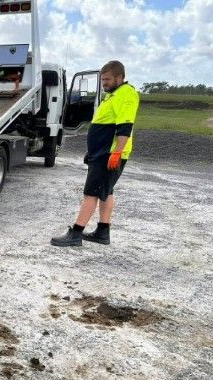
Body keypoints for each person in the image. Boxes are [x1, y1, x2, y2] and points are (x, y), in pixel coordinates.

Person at [51, 60, 139, 247]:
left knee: (91, 193)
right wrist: (92, 151)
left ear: (120, 77)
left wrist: (116, 153)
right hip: (101, 153)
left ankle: (76, 233)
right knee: (106, 192)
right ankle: (102, 231)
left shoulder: (127, 94)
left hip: (108, 154)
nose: (103, 83)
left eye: (107, 79)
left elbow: (125, 127)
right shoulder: (113, 94)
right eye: (102, 80)